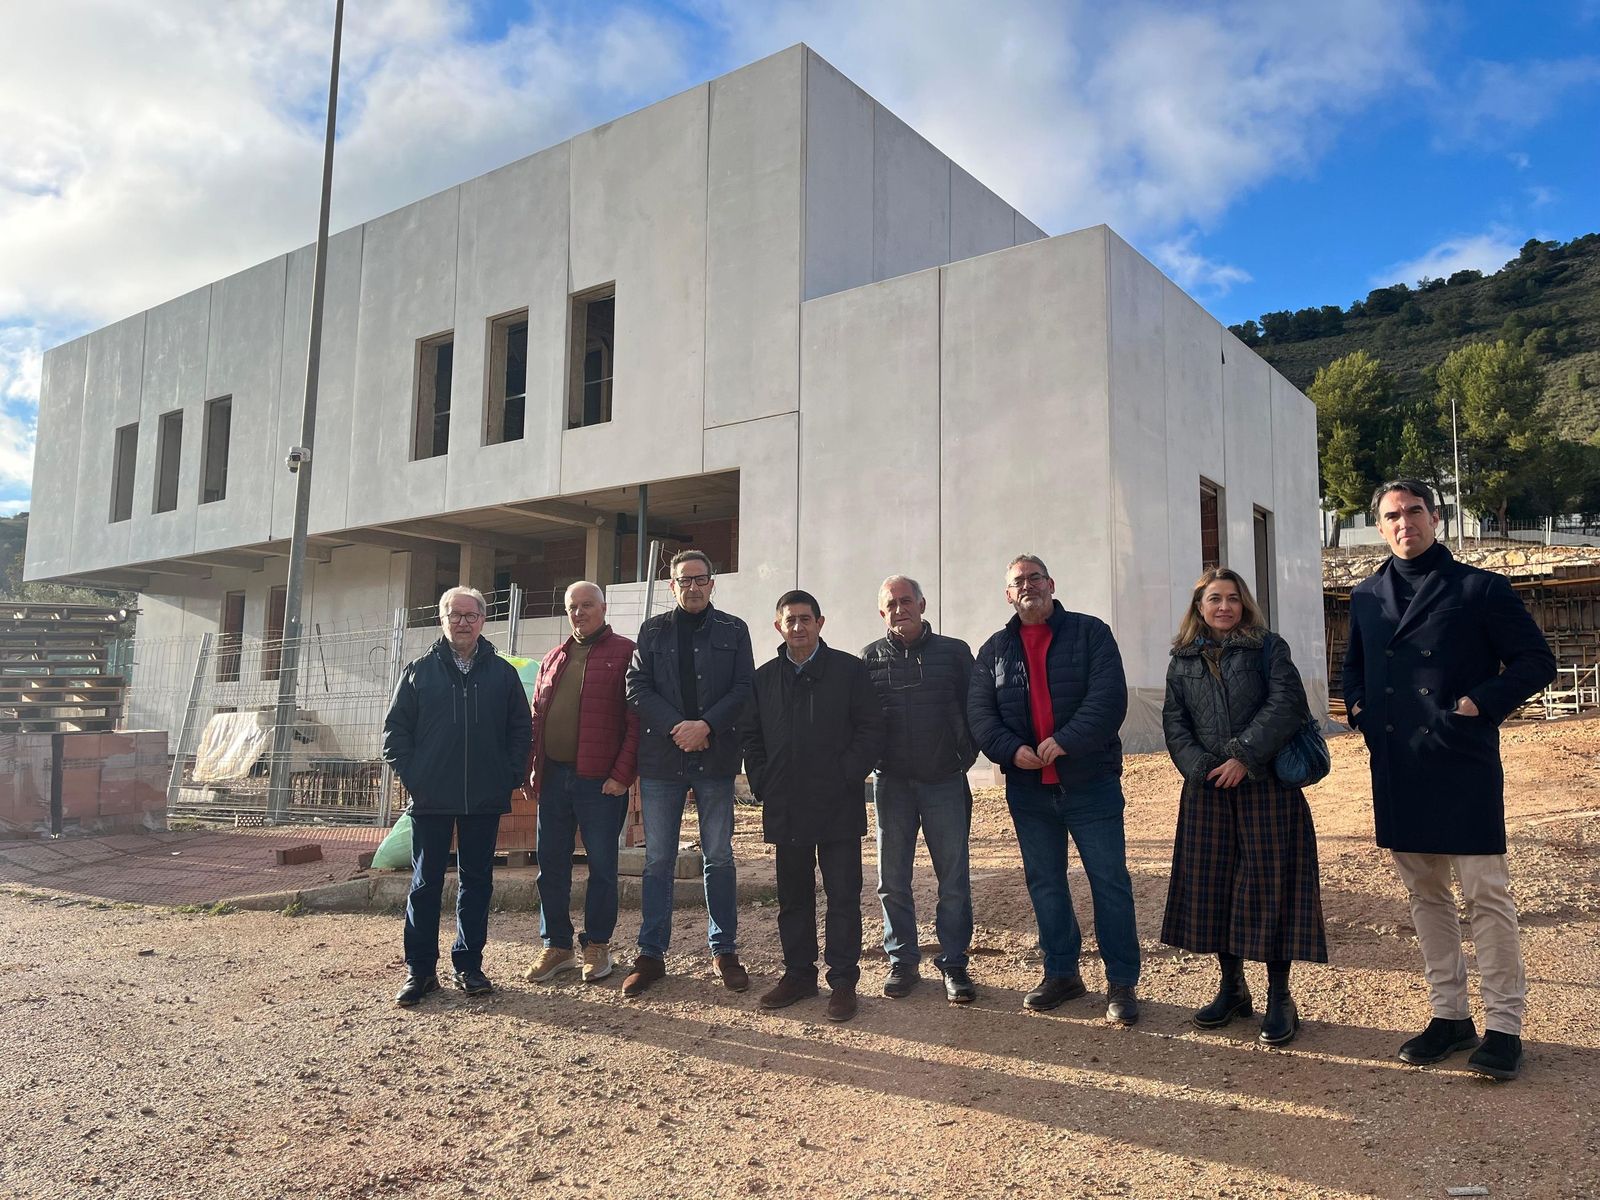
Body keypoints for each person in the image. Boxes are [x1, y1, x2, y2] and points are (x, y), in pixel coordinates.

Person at [1343, 479, 1555, 1081]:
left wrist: (1476, 705)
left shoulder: (1479, 588)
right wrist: (1360, 709)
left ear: (1435, 518)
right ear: (1380, 526)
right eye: (1391, 515)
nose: (1403, 522)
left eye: (1414, 511)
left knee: (1487, 896)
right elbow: (1352, 666)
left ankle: (1505, 1027)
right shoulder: (1365, 596)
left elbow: (1536, 660)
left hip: (1462, 761)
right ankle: (1450, 1016)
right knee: (1426, 896)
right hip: (1399, 764)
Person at [967, 555, 1142, 1024]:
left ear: (1051, 583)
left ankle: (1122, 983)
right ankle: (1062, 973)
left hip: (1090, 784)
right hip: (1029, 791)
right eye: (1018, 582)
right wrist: (1010, 750)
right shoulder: (994, 650)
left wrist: (1065, 741)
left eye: (1035, 578)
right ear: (1008, 594)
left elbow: (1108, 700)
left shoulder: (1091, 633)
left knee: (1109, 883)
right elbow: (981, 714)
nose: (1028, 586)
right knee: (1045, 884)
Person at [1161, 568, 1327, 1046]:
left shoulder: (1268, 647)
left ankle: (1280, 997)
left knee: (1272, 890)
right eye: (1214, 599)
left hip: (1266, 786)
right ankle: (1232, 989)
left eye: (1233, 598)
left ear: (1245, 604)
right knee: (1214, 890)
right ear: (1199, 607)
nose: (1224, 607)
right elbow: (1175, 723)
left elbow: (1287, 704)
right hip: (1208, 790)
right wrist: (1200, 767)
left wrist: (1243, 757)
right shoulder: (1181, 659)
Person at [382, 586, 532, 1006]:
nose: (463, 622)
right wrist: (418, 778)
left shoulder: (501, 674)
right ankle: (421, 971)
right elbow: (395, 735)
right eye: (455, 615)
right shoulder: (418, 671)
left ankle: (469, 965)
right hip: (431, 799)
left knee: (477, 882)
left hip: (484, 797)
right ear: (442, 619)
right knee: (425, 882)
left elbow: (520, 729)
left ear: (483, 620)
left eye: (471, 615)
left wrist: (508, 776)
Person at [742, 590, 885, 1022]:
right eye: (791, 620)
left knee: (842, 895)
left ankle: (842, 982)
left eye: (806, 619)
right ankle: (798, 975)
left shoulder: (848, 671)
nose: (799, 627)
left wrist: (848, 773)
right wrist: (764, 780)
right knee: (794, 897)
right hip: (786, 804)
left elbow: (871, 728)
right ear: (778, 626)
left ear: (820, 622)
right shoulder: (763, 678)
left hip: (838, 802)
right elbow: (750, 736)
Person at [622, 550, 755, 997]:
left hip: (715, 759)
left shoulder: (734, 630)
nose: (693, 587)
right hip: (663, 759)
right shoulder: (652, 631)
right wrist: (678, 727)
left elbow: (743, 688)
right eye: (684, 580)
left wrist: (707, 726)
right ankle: (651, 954)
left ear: (712, 583)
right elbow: (636, 687)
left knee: (718, 856)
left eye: (700, 579)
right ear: (671, 585)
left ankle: (724, 950)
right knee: (658, 858)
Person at [861, 575, 978, 1003]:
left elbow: (975, 709)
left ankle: (954, 961)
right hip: (892, 785)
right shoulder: (868, 659)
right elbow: (862, 721)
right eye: (891, 604)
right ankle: (903, 961)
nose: (900, 609)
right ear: (882, 612)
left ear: (923, 604)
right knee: (892, 879)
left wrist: (961, 758)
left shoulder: (954, 653)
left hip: (944, 781)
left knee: (953, 878)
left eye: (906, 601)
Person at [521, 582, 639, 985]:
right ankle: (556, 946)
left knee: (602, 866)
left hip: (600, 783)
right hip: (554, 778)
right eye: (573, 606)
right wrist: (532, 769)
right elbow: (537, 718)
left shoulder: (626, 653)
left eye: (587, 605)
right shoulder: (554, 656)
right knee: (550, 866)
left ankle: (598, 944)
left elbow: (636, 722)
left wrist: (622, 775)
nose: (580, 612)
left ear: (603, 608)